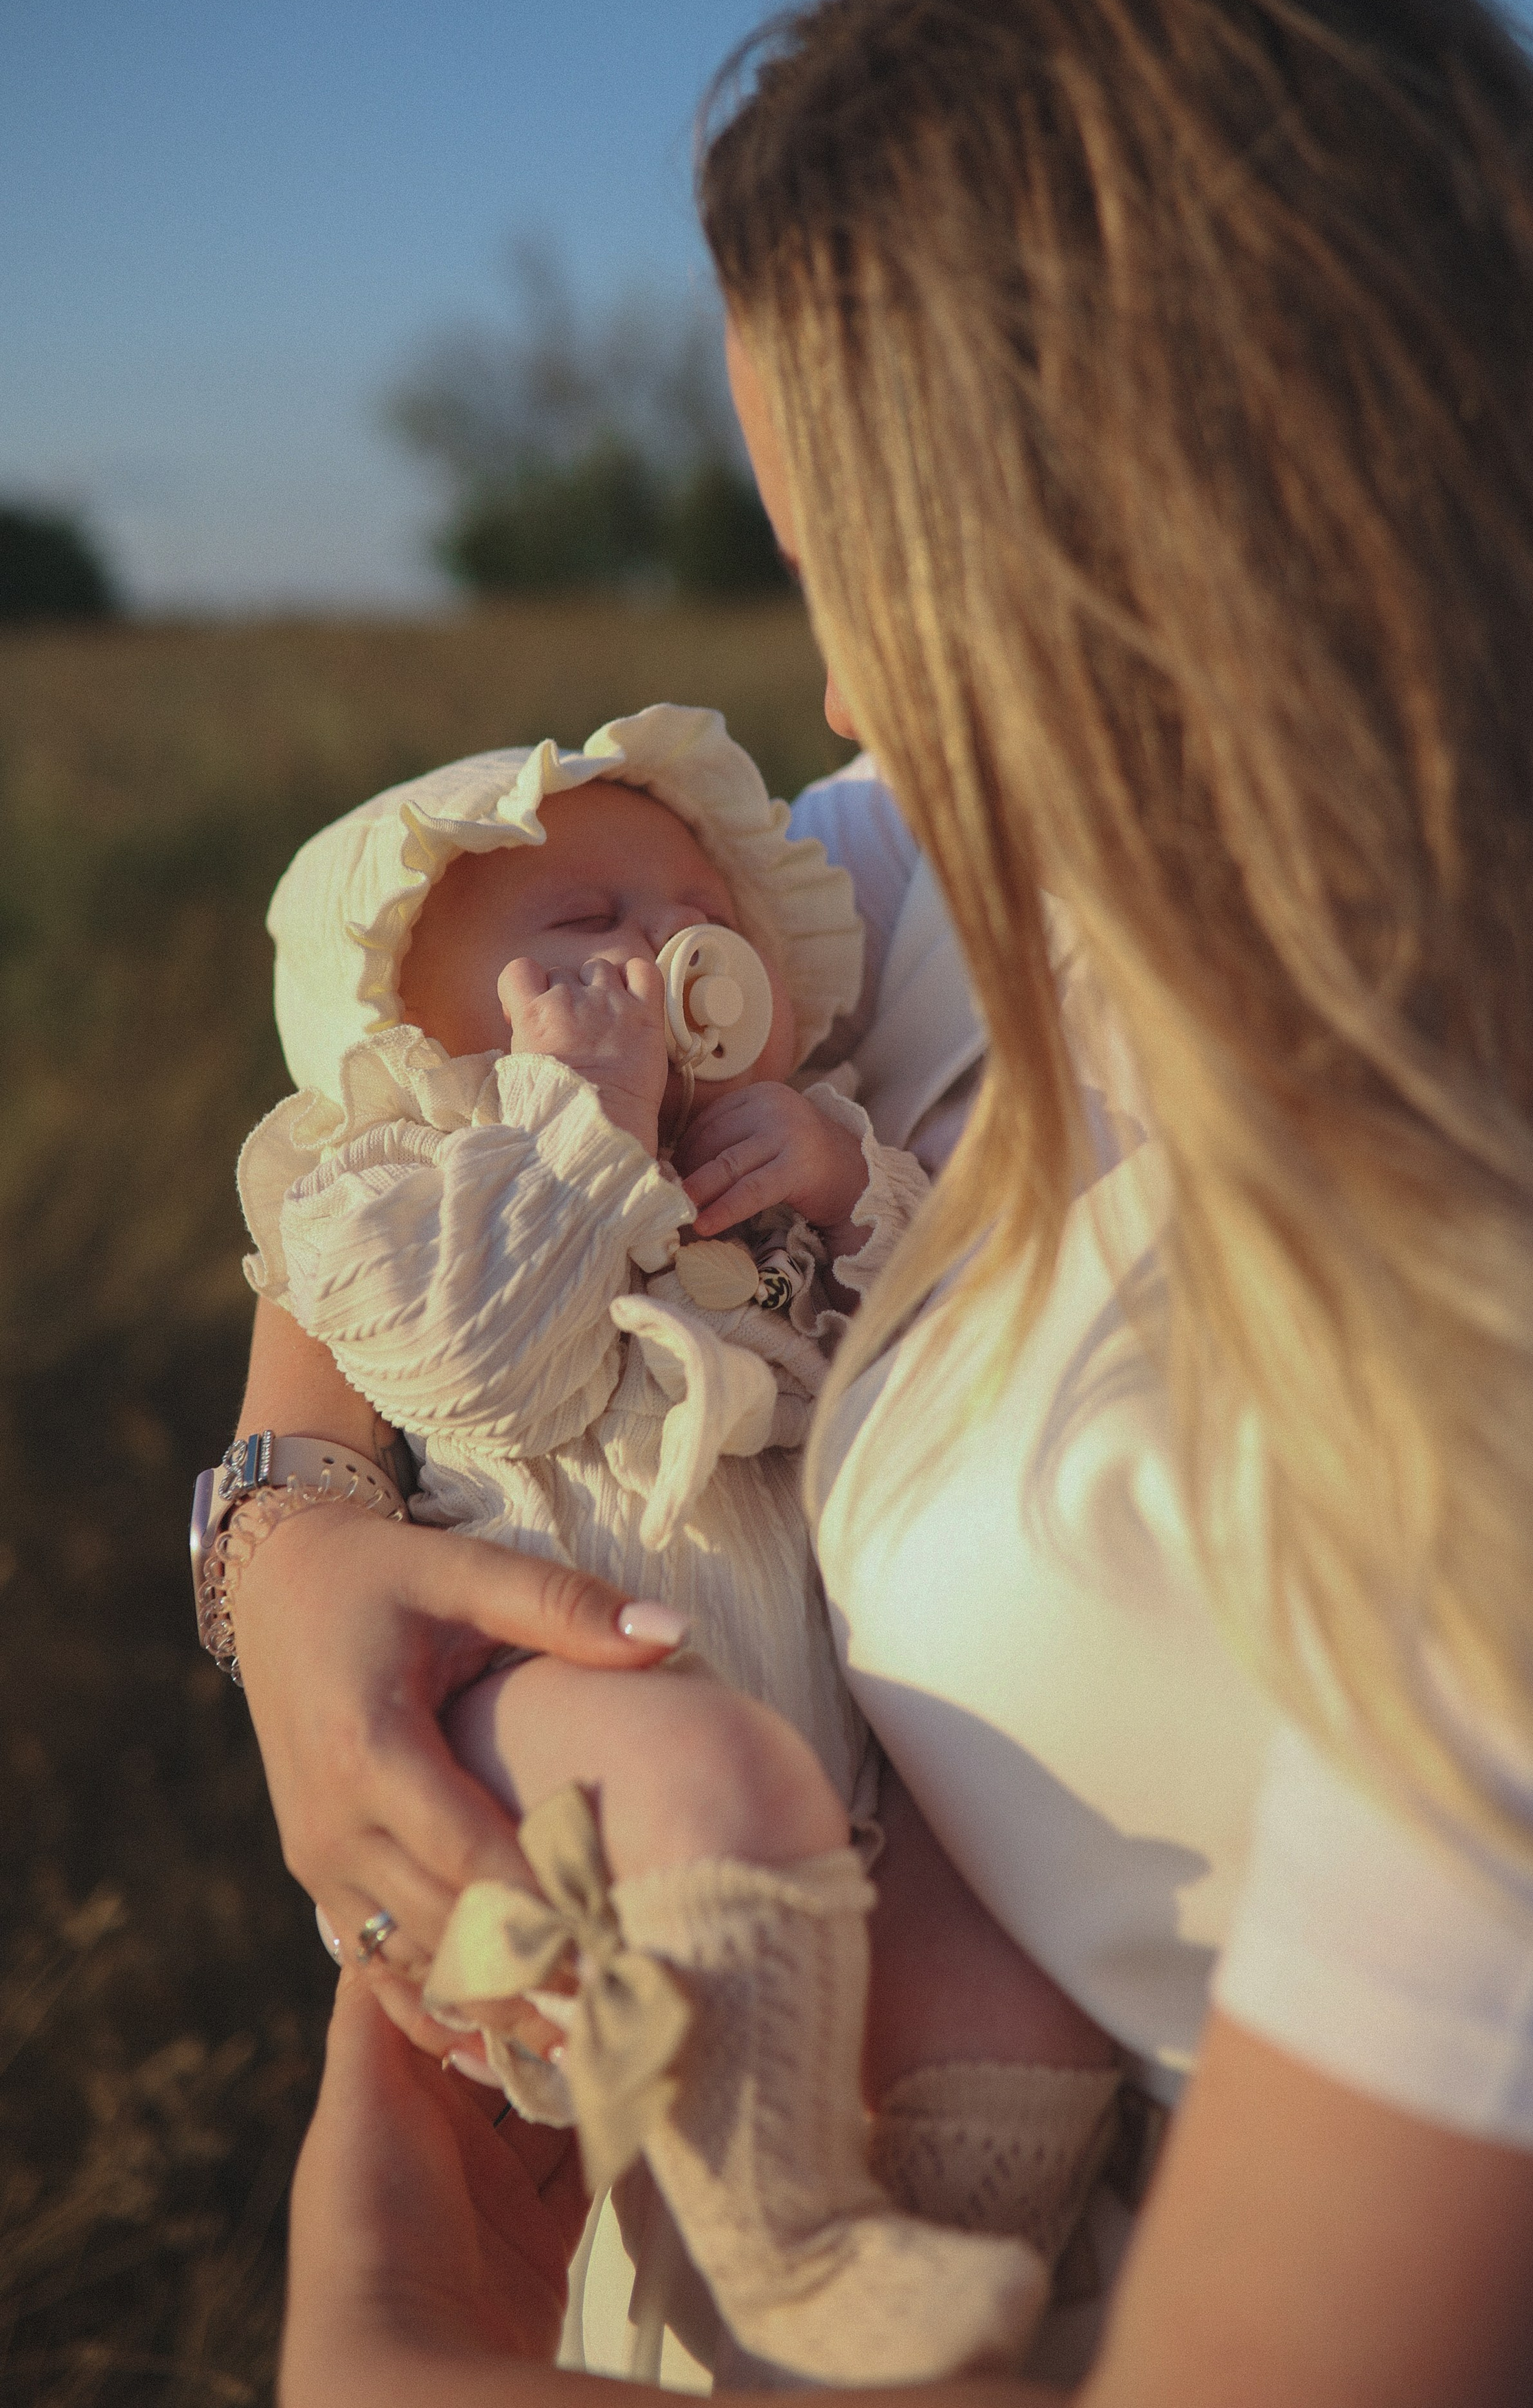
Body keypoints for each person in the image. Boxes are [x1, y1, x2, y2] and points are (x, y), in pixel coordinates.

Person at [238, 0, 1533, 2405]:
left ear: (1161, 543)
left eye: (871, 570)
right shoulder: (975, 862)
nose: (839, 693)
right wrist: (285, 1548)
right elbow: (412, 1087)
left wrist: (385, 2321)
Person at [219, 706, 1115, 2382]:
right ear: (406, 1016)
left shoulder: (788, 1126)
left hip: (842, 1738)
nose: (651, 954)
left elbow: (934, 1349)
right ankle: (775, 2244)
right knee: (709, 1780)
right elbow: (472, 1368)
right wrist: (578, 1122)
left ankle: (936, 2261)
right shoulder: (400, 1183)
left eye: (694, 915)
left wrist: (846, 1185)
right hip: (554, 1693)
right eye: (581, 926)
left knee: (1006, 1922)